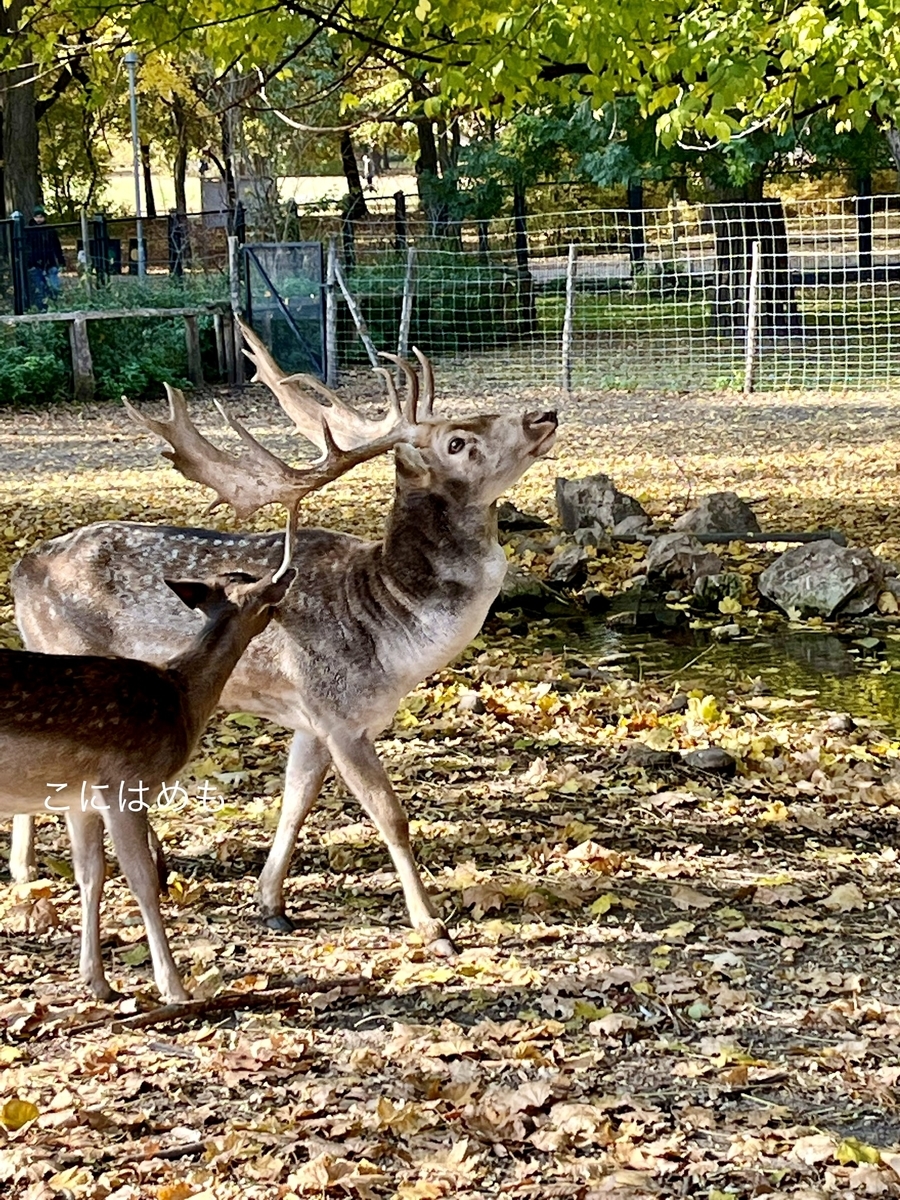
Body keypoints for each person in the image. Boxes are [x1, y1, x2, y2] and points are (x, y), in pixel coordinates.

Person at [25, 205, 65, 311]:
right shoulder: (28, 230)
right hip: (35, 263)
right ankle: (43, 309)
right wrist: (29, 262)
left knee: (55, 286)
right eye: (37, 217)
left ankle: (55, 306)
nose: (39, 219)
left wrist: (61, 260)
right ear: (34, 217)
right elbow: (26, 248)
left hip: (50, 261)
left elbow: (57, 246)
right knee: (40, 288)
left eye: (41, 217)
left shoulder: (50, 230)